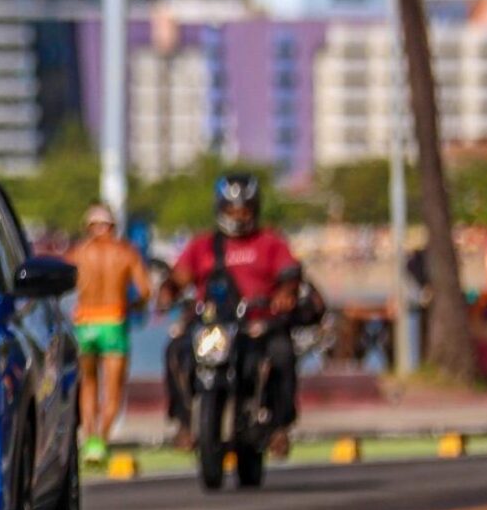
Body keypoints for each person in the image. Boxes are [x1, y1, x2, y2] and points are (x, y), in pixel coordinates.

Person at [153, 171, 307, 454]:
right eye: (231, 209)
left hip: (257, 326)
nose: (238, 215)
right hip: (212, 326)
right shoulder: (202, 246)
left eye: (244, 209)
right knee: (175, 351)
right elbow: (179, 277)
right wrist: (167, 291)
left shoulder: (270, 242)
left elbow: (290, 274)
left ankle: (279, 426)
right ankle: (184, 422)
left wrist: (286, 293)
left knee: (283, 354)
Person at [67, 203, 148, 464]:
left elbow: (60, 282)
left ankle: (89, 438)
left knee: (88, 385)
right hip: (113, 320)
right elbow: (146, 290)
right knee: (112, 389)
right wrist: (131, 306)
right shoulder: (125, 253)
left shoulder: (79, 253)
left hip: (85, 322)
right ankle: (100, 440)